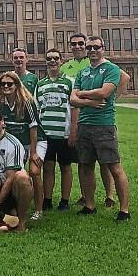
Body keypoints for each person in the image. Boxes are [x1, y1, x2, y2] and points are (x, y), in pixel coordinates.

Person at [70, 35, 131, 221]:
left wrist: (82, 95)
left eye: (96, 47)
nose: (92, 51)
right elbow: (72, 100)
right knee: (85, 166)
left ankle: (124, 210)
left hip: (104, 125)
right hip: (84, 125)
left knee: (114, 166)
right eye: (89, 48)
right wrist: (89, 101)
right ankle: (89, 205)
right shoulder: (82, 72)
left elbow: (104, 92)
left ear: (103, 48)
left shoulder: (111, 69)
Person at [60, 32, 116, 208]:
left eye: (81, 44)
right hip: (79, 116)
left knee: (105, 162)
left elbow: (123, 79)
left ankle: (110, 195)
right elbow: (71, 97)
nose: (77, 47)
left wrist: (111, 100)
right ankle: (86, 197)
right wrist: (90, 102)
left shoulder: (98, 62)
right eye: (73, 44)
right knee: (84, 162)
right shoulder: (66, 67)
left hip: (101, 118)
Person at [0, 70, 46, 221]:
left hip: (35, 141)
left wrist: (33, 153)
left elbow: (33, 128)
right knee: (15, 174)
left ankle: (38, 209)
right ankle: (14, 206)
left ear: (17, 85)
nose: (6, 86)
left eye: (9, 83)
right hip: (16, 144)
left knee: (34, 171)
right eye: (3, 84)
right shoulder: (1, 103)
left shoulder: (27, 101)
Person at [36, 48, 77, 212]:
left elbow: (74, 107)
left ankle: (65, 200)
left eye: (55, 58)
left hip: (64, 133)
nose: (52, 61)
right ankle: (47, 199)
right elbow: (38, 107)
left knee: (66, 166)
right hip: (46, 134)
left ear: (61, 61)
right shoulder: (41, 84)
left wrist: (73, 130)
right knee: (48, 167)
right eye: (49, 59)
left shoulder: (70, 82)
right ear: (45, 62)